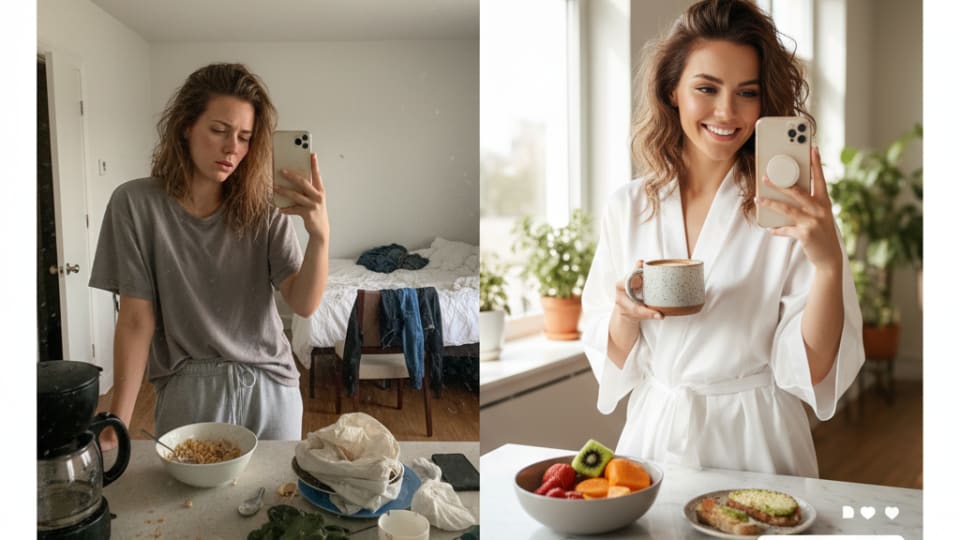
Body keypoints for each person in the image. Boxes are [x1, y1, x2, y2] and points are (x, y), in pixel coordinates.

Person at [581, 0, 864, 477]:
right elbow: (610, 361)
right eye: (706, 88)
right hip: (655, 436)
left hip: (757, 439)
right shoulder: (627, 206)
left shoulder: (792, 210)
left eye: (747, 93)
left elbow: (812, 373)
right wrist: (627, 316)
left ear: (764, 102)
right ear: (672, 91)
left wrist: (829, 265)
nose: (726, 111)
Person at [89, 63, 330, 447]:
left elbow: (303, 303)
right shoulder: (134, 204)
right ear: (186, 126)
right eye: (219, 130)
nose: (232, 147)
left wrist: (320, 235)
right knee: (186, 507)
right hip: (189, 392)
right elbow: (136, 320)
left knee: (273, 503)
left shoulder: (264, 209)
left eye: (245, 137)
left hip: (271, 389)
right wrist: (116, 423)